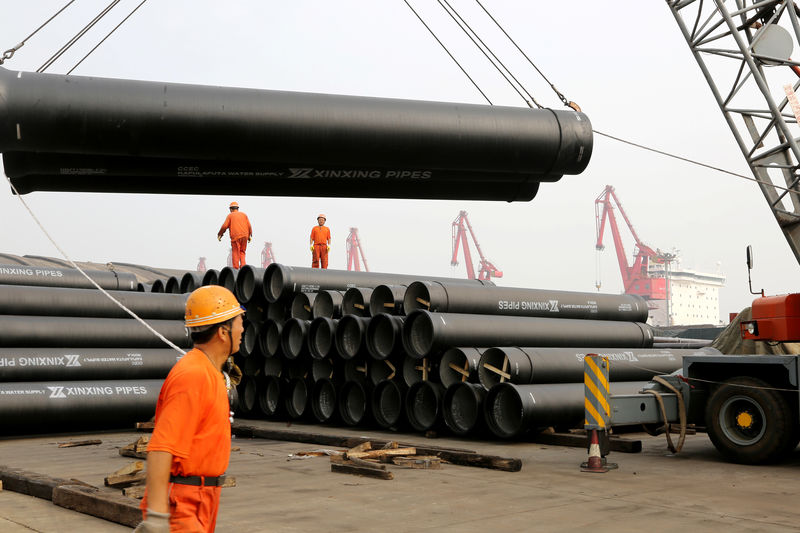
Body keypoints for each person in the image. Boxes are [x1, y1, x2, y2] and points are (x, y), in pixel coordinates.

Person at [135, 285, 245, 533]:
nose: (243, 329)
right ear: (222, 332)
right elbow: (161, 448)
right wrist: (156, 516)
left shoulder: (210, 371)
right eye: (239, 321)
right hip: (183, 504)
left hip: (203, 498)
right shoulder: (193, 375)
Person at [217, 201, 252, 269]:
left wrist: (220, 234)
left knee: (235, 252)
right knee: (242, 252)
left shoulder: (230, 216)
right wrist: (249, 235)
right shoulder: (244, 215)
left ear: (231, 209)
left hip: (236, 237)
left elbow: (224, 226)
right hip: (245, 236)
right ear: (237, 208)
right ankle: (243, 268)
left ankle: (235, 269)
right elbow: (249, 226)